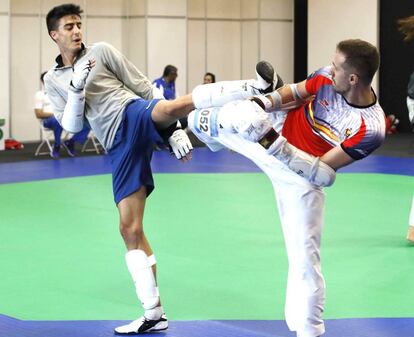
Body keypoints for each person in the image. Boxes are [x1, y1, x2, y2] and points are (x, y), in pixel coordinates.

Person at [44, 3, 275, 334]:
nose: (77, 30)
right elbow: (72, 123)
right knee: (129, 229)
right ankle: (154, 314)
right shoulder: (54, 79)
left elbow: (141, 86)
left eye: (79, 24)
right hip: (117, 143)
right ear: (55, 35)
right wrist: (77, 88)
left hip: (133, 113)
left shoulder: (102, 52)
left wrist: (173, 127)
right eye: (69, 27)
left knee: (172, 105)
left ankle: (254, 88)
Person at [187, 39, 386, 337]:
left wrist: (268, 140)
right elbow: (295, 92)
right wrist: (264, 103)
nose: (330, 70)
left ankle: (310, 331)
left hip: (298, 173)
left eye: (336, 67)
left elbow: (321, 172)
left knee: (305, 259)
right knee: (197, 119)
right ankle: (254, 98)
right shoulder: (326, 78)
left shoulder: (371, 128)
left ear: (353, 78)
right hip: (276, 130)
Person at [34, 71, 90, 158]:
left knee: (86, 121)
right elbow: (39, 114)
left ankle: (70, 142)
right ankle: (56, 146)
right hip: (48, 120)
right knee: (57, 119)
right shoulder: (40, 95)